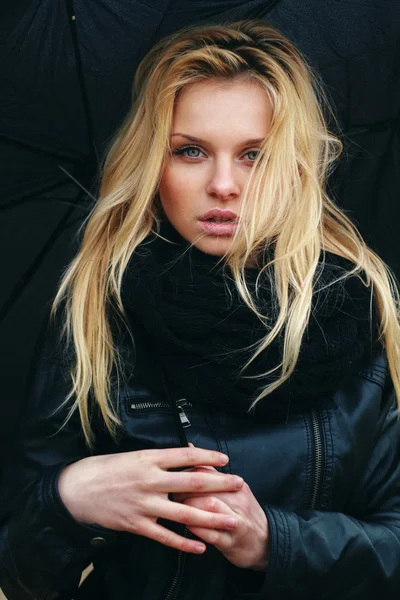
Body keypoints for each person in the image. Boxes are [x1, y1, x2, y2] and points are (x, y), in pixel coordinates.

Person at [1, 18, 400, 600]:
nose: (223, 184)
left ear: (295, 167)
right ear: (153, 167)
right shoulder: (94, 315)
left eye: (254, 155)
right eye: (190, 151)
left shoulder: (363, 313)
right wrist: (67, 499)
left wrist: (275, 542)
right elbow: (20, 572)